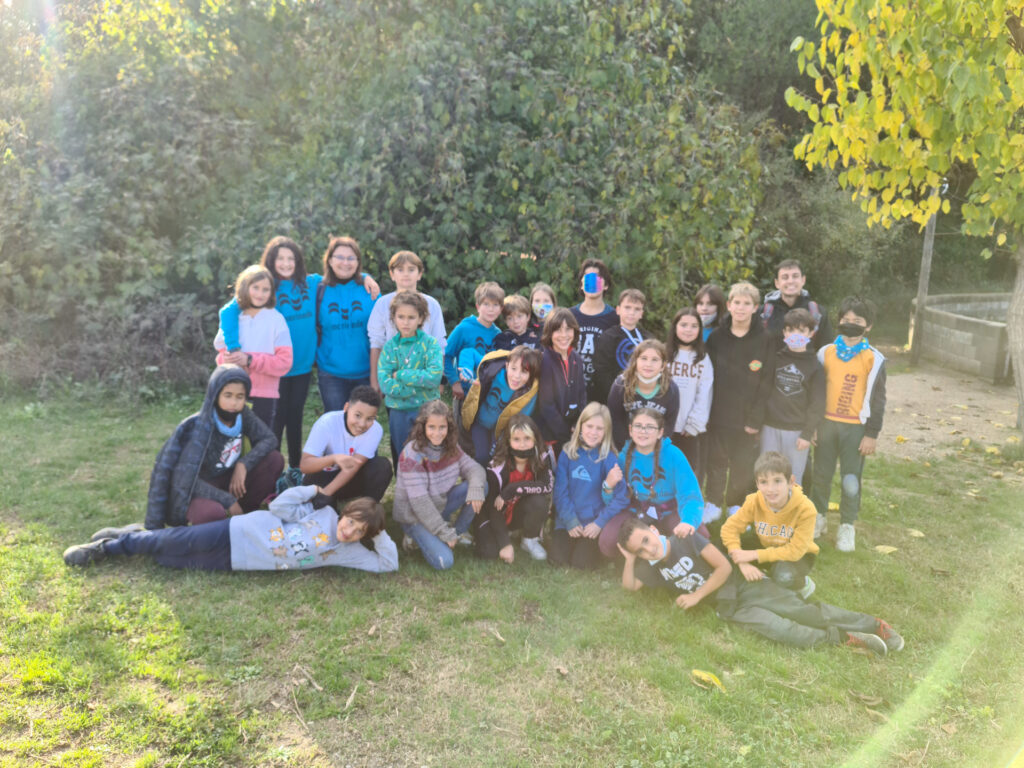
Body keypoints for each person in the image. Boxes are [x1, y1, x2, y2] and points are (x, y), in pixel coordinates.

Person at [616, 516, 904, 655]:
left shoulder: (685, 538)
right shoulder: (653, 567)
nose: (648, 550)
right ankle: (844, 638)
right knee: (783, 631)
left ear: (653, 530)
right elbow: (630, 586)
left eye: (646, 540)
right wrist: (629, 559)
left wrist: (696, 596)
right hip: (730, 607)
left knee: (803, 612)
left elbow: (724, 567)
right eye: (639, 551)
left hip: (744, 586)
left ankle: (874, 625)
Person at [218, 237, 379, 470]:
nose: (286, 263)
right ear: (271, 261)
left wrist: (365, 277)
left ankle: (294, 470)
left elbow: (342, 272)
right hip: (274, 368)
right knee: (275, 422)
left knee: (295, 420)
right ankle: (269, 472)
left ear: (298, 261)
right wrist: (234, 347)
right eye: (280, 258)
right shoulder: (266, 286)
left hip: (301, 366)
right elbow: (228, 311)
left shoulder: (312, 283)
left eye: (291, 258)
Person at [65, 487, 399, 574]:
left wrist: (378, 532)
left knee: (170, 559)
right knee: (177, 540)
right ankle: (108, 548)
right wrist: (310, 490)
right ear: (345, 512)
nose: (349, 531)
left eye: (359, 531)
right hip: (237, 531)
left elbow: (388, 564)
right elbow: (279, 508)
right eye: (351, 521)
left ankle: (136, 534)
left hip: (239, 561)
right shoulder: (321, 513)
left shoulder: (348, 552)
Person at [144, 365, 285, 529]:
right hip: (201, 486)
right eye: (228, 395)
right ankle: (219, 521)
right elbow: (185, 480)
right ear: (215, 395)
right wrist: (227, 500)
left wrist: (243, 464)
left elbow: (269, 439)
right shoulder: (199, 427)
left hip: (230, 478)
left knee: (274, 460)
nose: (233, 403)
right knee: (210, 514)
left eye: (240, 397)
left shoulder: (243, 415)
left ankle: (245, 514)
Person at [811, 297, 886, 552]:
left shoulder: (873, 358)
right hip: (826, 424)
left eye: (857, 321)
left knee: (850, 479)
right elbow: (814, 392)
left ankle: (846, 525)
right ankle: (818, 517)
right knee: (821, 475)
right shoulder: (825, 353)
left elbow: (878, 399)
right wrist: (812, 425)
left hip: (855, 429)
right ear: (838, 321)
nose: (850, 324)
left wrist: (871, 434)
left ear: (868, 326)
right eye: (846, 320)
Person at [704, 281, 773, 522]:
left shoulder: (764, 339)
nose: (741, 308)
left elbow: (766, 382)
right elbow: (707, 377)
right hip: (718, 414)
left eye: (747, 303)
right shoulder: (716, 337)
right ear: (729, 305)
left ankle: (736, 504)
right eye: (737, 302)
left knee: (742, 464)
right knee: (716, 461)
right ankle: (713, 503)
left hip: (747, 418)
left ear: (755, 308)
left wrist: (756, 418)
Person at [597, 408, 705, 558]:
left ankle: (669, 551)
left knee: (699, 537)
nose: (643, 431)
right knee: (608, 542)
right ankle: (637, 560)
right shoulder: (624, 457)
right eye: (638, 426)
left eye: (650, 427)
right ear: (630, 430)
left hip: (670, 510)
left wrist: (688, 521)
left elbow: (690, 494)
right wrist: (608, 487)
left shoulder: (674, 455)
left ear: (660, 432)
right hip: (638, 511)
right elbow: (616, 499)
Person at [392, 401, 487, 570]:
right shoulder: (412, 453)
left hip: (439, 505)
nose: (437, 433)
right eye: (432, 427)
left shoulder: (451, 447)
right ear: (423, 427)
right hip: (414, 515)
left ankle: (457, 532)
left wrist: (475, 490)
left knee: (481, 486)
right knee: (445, 562)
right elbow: (420, 503)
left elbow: (475, 468)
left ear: (449, 427)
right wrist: (443, 532)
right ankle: (414, 535)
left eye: (442, 427)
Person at [719, 451, 818, 598]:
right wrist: (741, 561)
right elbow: (729, 528)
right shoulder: (754, 500)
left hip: (798, 555)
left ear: (791, 481)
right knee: (717, 549)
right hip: (765, 544)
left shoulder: (806, 508)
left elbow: (795, 551)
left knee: (783, 576)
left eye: (777, 481)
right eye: (764, 482)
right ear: (757, 484)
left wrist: (753, 555)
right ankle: (760, 576)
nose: (770, 489)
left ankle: (803, 584)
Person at [550, 403, 629, 569]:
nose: (593, 432)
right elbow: (560, 492)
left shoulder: (609, 458)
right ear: (580, 426)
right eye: (589, 426)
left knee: (581, 564)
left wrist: (600, 522)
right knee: (558, 560)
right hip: (568, 520)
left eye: (600, 428)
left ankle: (597, 551)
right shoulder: (567, 453)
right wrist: (570, 520)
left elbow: (621, 497)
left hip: (592, 524)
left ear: (606, 431)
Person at [214, 265, 293, 430]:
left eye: (265, 289)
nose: (260, 293)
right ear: (245, 287)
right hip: (232, 391)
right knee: (231, 439)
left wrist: (249, 360)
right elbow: (220, 356)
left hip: (264, 396)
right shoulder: (232, 319)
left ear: (271, 292)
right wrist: (227, 359)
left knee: (258, 440)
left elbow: (284, 363)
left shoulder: (277, 320)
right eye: (255, 287)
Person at [754, 308, 825, 485]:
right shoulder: (775, 359)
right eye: (791, 330)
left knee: (793, 478)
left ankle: (792, 504)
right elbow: (762, 391)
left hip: (797, 431)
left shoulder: (815, 366)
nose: (795, 335)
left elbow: (817, 403)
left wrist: (807, 433)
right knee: (767, 475)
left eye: (801, 331)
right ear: (784, 333)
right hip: (770, 427)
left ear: (811, 333)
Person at [473, 413, 554, 563]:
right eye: (516, 439)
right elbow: (492, 507)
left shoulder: (542, 456)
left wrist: (512, 489)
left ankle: (529, 539)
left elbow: (547, 486)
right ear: (508, 441)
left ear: (535, 439)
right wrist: (505, 544)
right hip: (493, 514)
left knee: (539, 502)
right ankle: (498, 534)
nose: (522, 444)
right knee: (489, 553)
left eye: (527, 438)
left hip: (517, 509)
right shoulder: (496, 465)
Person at [377, 292, 444, 467]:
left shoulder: (430, 344)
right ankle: (405, 484)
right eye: (401, 317)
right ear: (393, 318)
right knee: (403, 456)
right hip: (398, 412)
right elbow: (385, 383)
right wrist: (416, 387)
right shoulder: (390, 347)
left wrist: (401, 375)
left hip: (427, 410)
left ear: (421, 318)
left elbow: (434, 378)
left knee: (429, 455)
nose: (405, 322)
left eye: (411, 317)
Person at [367, 250, 447, 395]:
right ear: (392, 274)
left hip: (425, 377)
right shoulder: (382, 304)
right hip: (394, 378)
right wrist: (375, 381)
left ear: (419, 274)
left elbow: (439, 344)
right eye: (400, 269)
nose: (406, 274)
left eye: (411, 269)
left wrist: (440, 380)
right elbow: (376, 343)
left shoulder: (432, 304)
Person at [316, 236, 379, 412]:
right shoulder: (318, 288)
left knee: (362, 423)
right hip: (331, 374)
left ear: (358, 262)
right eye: (340, 257)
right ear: (329, 260)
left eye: (351, 258)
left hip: (365, 372)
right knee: (336, 422)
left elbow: (381, 334)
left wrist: (365, 277)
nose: (345, 262)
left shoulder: (370, 290)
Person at [299, 385, 393, 503]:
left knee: (382, 466)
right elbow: (305, 466)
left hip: (348, 478)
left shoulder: (376, 429)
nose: (362, 424)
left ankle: (366, 507)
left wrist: (326, 493)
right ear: (346, 408)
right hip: (320, 478)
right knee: (325, 510)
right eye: (358, 415)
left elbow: (353, 466)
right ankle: (325, 501)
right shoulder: (326, 422)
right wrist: (334, 458)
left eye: (369, 418)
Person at [460, 346, 542, 465]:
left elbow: (519, 421)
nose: (517, 376)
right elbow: (468, 352)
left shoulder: (529, 394)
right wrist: (466, 367)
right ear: (507, 365)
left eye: (524, 372)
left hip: (502, 431)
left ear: (531, 375)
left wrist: (499, 442)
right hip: (480, 423)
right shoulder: (493, 370)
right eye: (514, 369)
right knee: (481, 457)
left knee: (496, 458)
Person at [666, 306, 713, 480]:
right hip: (664, 426)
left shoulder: (702, 358)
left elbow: (705, 393)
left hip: (687, 429)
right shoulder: (663, 354)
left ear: (700, 330)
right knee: (663, 471)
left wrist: (694, 424)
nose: (688, 330)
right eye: (683, 325)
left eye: (694, 326)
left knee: (686, 473)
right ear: (675, 327)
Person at [607, 339, 679, 450]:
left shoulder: (671, 390)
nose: (648, 364)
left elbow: (668, 426)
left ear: (663, 365)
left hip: (655, 449)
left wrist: (652, 450)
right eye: (644, 358)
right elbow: (615, 422)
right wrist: (628, 449)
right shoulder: (620, 385)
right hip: (624, 448)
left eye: (655, 360)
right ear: (635, 361)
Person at [534, 308, 587, 454]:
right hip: (551, 436)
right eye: (558, 330)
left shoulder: (576, 358)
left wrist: (577, 424)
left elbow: (582, 394)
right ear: (549, 333)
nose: (564, 335)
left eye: (568, 329)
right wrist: (566, 434)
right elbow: (547, 407)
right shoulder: (545, 360)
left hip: (573, 432)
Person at [444, 281, 504, 400]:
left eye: (495, 305)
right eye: (486, 304)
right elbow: (445, 356)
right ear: (478, 307)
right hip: (465, 393)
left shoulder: (498, 334)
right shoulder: (464, 328)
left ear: (501, 309)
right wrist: (455, 382)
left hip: (487, 395)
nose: (491, 309)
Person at [590, 288, 649, 405]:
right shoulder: (608, 337)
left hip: (642, 398)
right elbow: (601, 373)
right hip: (614, 398)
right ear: (618, 310)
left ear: (641, 314)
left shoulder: (648, 339)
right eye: (627, 307)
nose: (632, 312)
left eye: (637, 309)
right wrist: (617, 397)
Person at [570, 258, 618, 398]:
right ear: (581, 284)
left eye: (597, 277)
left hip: (602, 393)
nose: (591, 281)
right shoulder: (569, 315)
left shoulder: (615, 318)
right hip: (572, 391)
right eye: (587, 277)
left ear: (606, 285)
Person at [759, 259, 833, 350]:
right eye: (785, 277)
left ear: (803, 280)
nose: (790, 281)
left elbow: (826, 351)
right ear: (777, 283)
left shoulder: (817, 313)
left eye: (795, 276)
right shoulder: (763, 314)